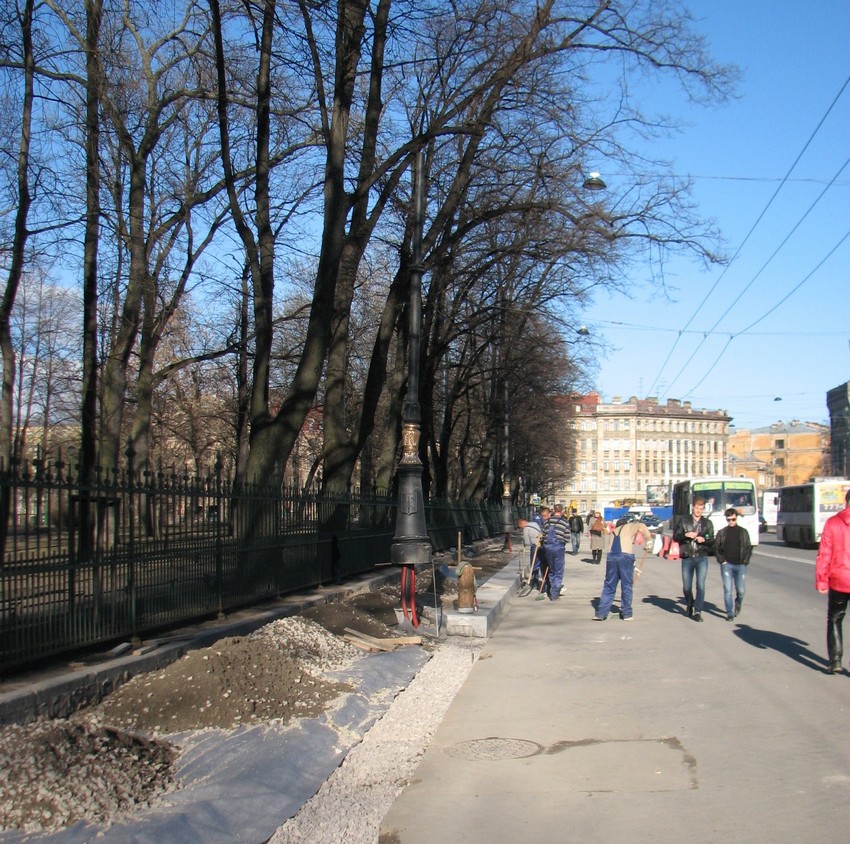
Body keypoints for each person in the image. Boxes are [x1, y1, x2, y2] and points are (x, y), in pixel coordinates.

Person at [815, 489, 850, 674]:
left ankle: (835, 661)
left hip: (839, 579)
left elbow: (824, 554)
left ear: (846, 502)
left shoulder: (833, 523)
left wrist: (822, 580)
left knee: (835, 618)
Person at [593, 519, 652, 621]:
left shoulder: (613, 532)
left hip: (611, 558)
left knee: (609, 586)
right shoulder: (628, 527)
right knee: (626, 586)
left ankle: (601, 614)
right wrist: (649, 539)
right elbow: (641, 525)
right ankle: (626, 613)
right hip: (625, 558)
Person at [673, 497, 715, 622]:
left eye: (701, 509)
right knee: (686, 586)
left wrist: (704, 540)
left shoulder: (707, 523)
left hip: (701, 556)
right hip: (688, 556)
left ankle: (698, 611)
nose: (699, 511)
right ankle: (690, 603)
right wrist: (686, 535)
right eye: (697, 508)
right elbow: (676, 536)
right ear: (693, 507)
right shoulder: (684, 521)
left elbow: (712, 539)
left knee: (700, 585)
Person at [714, 507, 753, 621]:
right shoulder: (722, 532)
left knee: (741, 590)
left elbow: (748, 548)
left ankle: (738, 602)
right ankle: (730, 613)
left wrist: (745, 562)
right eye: (729, 520)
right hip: (727, 565)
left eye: (733, 519)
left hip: (740, 565)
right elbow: (716, 548)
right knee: (727, 589)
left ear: (736, 518)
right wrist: (722, 560)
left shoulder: (743, 532)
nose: (731, 522)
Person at [540, 503, 570, 600]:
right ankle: (554, 593)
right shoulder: (565, 522)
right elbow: (567, 538)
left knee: (551, 570)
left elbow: (543, 536)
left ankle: (552, 590)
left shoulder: (547, 522)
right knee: (558, 571)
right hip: (558, 548)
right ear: (561, 511)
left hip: (548, 548)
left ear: (553, 510)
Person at [517, 516, 543, 588]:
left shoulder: (526, 529)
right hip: (542, 545)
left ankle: (535, 581)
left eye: (521, 527)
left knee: (534, 564)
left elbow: (527, 542)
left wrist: (525, 543)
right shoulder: (535, 523)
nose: (522, 528)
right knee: (541, 563)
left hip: (535, 546)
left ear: (522, 524)